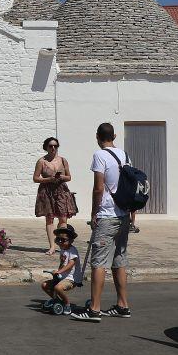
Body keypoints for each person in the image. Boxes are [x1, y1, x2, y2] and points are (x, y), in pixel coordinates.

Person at [71, 123, 133, 323]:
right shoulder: (125, 155)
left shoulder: (100, 156)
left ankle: (94, 309)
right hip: (123, 215)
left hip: (107, 215)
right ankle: (123, 305)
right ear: (114, 135)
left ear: (97, 136)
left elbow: (98, 188)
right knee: (119, 260)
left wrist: (94, 212)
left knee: (98, 262)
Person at [34, 137, 78, 254]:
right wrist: (49, 179)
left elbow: (69, 177)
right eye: (50, 146)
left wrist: (62, 177)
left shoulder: (63, 160)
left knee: (63, 218)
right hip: (47, 191)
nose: (53, 148)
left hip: (61, 191)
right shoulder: (41, 161)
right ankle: (52, 246)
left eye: (55, 146)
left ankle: (62, 242)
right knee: (49, 218)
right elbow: (35, 178)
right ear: (46, 147)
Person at [41, 226, 81, 315]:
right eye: (58, 239)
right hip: (63, 277)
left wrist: (59, 272)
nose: (60, 242)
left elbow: (70, 264)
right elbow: (62, 263)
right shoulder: (63, 249)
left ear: (71, 240)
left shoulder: (72, 251)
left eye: (63, 240)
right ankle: (58, 300)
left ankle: (67, 304)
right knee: (44, 285)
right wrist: (57, 271)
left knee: (57, 288)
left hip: (71, 279)